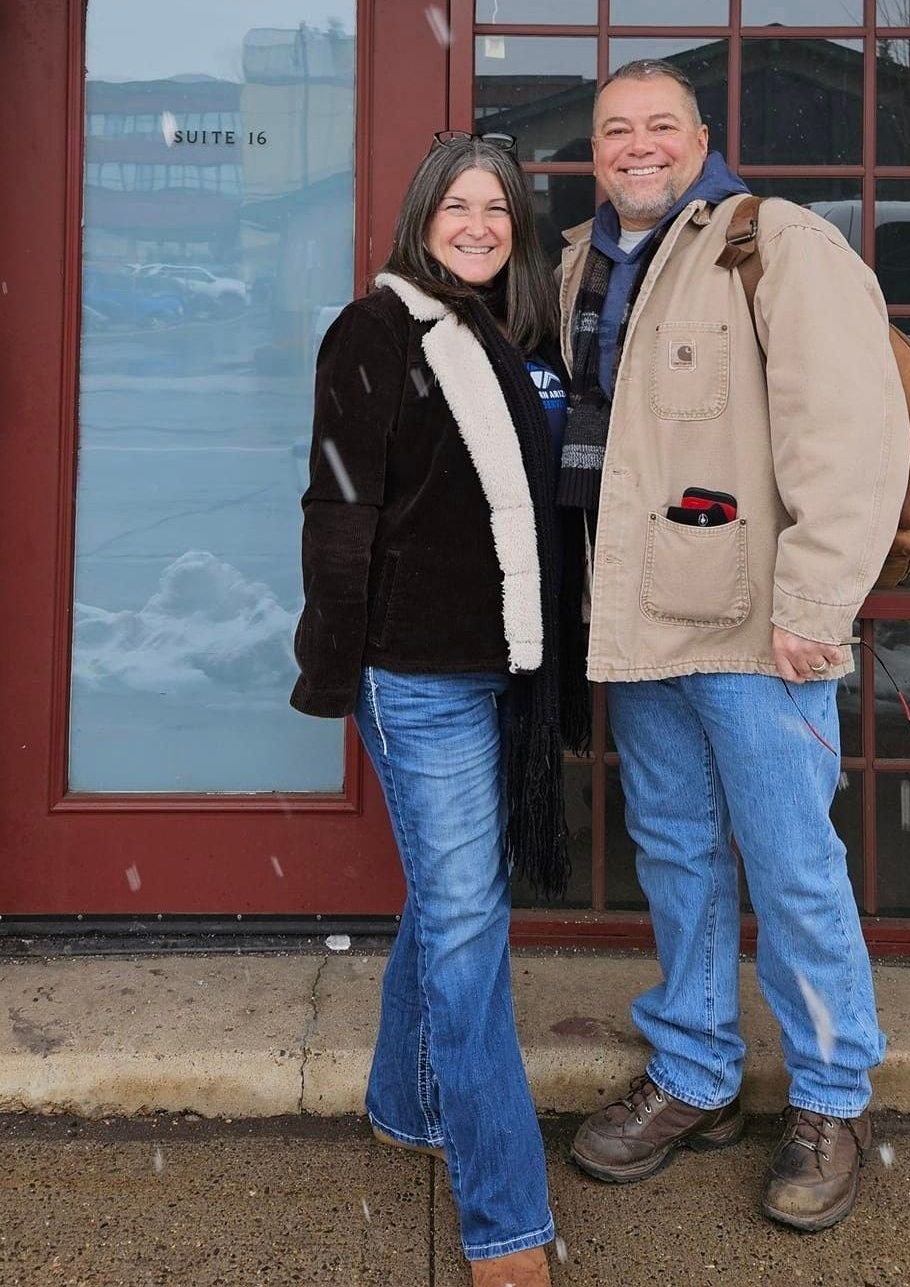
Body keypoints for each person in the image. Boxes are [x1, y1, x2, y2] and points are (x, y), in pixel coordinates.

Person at [558, 61, 910, 1232]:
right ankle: (696, 1070)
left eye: (662, 126)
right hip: (649, 621)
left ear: (702, 139)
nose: (639, 145)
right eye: (618, 130)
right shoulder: (580, 261)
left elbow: (850, 435)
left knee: (791, 861)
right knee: (676, 851)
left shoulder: (780, 245)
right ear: (595, 148)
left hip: (763, 626)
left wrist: (817, 602)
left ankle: (828, 1094)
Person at [291, 132, 587, 1287]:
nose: (476, 223)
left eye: (496, 208)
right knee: (470, 928)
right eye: (456, 206)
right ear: (422, 217)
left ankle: (404, 1103)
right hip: (415, 677)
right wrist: (336, 661)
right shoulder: (374, 334)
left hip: (499, 667)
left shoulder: (505, 342)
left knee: (452, 900)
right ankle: (506, 1223)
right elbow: (340, 509)